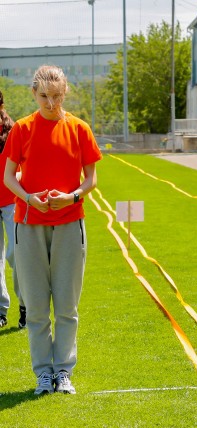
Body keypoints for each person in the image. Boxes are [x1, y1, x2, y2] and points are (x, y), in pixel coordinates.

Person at [2, 65, 101, 395]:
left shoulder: (79, 129)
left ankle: (63, 372)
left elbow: (91, 180)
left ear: (65, 93)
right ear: (34, 93)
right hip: (28, 225)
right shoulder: (22, 129)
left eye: (57, 96)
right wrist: (29, 198)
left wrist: (71, 196)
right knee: (38, 308)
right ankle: (43, 374)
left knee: (67, 307)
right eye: (44, 96)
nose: (50, 103)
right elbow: (8, 178)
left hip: (70, 225)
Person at [0, 90, 24, 329]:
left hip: (11, 201)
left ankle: (25, 305)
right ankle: (1, 310)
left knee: (15, 255)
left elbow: (25, 164)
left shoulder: (14, 130)